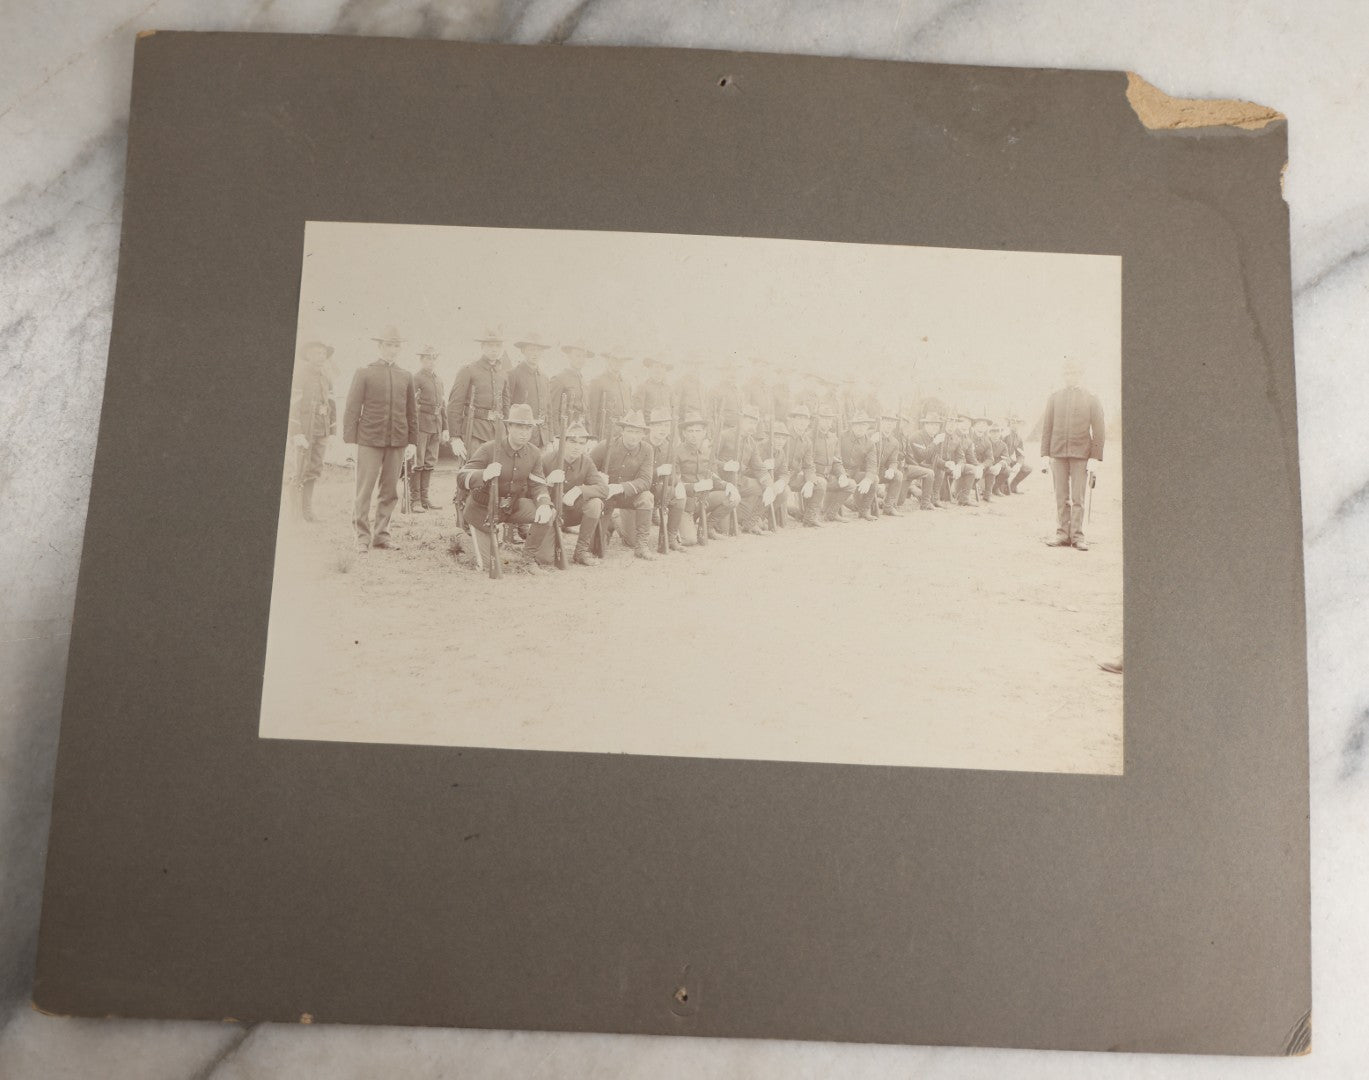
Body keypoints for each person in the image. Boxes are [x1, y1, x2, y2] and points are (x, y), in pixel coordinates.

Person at [342, 325, 417, 552]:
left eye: (396, 346)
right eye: (388, 345)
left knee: (390, 490)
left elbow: (411, 412)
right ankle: (362, 537)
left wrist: (412, 441)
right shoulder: (364, 372)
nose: (393, 350)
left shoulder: (406, 376)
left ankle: (381, 535)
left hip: (397, 441)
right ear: (379, 346)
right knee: (364, 490)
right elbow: (352, 408)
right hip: (369, 440)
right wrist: (350, 441)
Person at [456, 403, 554, 572]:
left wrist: (544, 503)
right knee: (488, 567)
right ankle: (460, 537)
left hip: (511, 507)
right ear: (509, 427)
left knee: (549, 512)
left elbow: (538, 484)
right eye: (519, 427)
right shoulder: (489, 449)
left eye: (528, 428)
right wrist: (484, 474)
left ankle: (528, 559)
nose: (525, 433)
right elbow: (461, 476)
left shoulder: (534, 453)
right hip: (483, 511)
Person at [1040, 358, 1105, 550]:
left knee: (1078, 498)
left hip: (1081, 455)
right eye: (1067, 373)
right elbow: (1047, 427)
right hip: (1058, 453)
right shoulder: (1054, 397)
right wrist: (1045, 454)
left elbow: (1099, 430)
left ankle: (1077, 536)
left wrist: (1095, 457)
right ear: (1063, 375)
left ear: (1080, 375)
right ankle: (1062, 534)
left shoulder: (1091, 398)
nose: (1071, 376)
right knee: (1061, 496)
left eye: (1074, 373)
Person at [533, 418, 607, 566]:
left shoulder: (586, 461)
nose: (577, 447)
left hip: (572, 513)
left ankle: (581, 552)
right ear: (563, 441)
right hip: (549, 514)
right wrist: (548, 482)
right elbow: (530, 488)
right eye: (572, 441)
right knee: (545, 559)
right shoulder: (547, 459)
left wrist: (579, 490)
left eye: (581, 443)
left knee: (595, 503)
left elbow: (603, 489)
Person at [590, 409, 657, 559]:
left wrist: (621, 487)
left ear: (643, 434)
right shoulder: (605, 445)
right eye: (630, 431)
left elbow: (646, 480)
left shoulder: (647, 450)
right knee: (596, 550)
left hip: (629, 496)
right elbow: (587, 468)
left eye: (637, 432)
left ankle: (641, 545)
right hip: (606, 498)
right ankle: (607, 525)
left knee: (647, 497)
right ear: (622, 431)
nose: (633, 436)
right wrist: (598, 478)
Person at [288, 339, 337, 523]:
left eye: (323, 353)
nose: (321, 357)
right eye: (317, 353)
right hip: (305, 430)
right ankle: (294, 514)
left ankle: (307, 511)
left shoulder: (326, 377)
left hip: (321, 430)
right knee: (301, 469)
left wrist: (332, 431)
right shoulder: (300, 375)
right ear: (308, 355)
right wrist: (297, 432)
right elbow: (293, 405)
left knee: (315, 469)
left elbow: (331, 404)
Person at [447, 328, 510, 463]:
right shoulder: (468, 370)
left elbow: (506, 407)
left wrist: (508, 432)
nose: (494, 349)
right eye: (490, 345)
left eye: (498, 345)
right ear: (482, 347)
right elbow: (454, 404)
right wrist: (455, 438)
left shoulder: (503, 374)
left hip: (498, 432)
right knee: (473, 472)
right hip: (474, 431)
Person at [673, 410, 735, 543]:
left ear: (704, 433)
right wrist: (695, 487)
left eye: (697, 431)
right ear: (684, 433)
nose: (694, 435)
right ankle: (676, 524)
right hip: (684, 504)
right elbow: (675, 483)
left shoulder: (707, 452)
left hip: (704, 500)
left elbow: (711, 475)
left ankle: (707, 526)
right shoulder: (676, 453)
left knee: (733, 496)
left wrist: (726, 484)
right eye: (690, 431)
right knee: (689, 541)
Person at [713, 404, 774, 536]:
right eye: (749, 421)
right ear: (741, 420)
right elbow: (708, 460)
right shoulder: (724, 435)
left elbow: (760, 469)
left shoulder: (751, 443)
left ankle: (750, 523)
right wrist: (724, 466)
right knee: (724, 531)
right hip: (721, 485)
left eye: (755, 422)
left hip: (739, 482)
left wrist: (769, 486)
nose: (752, 426)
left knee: (764, 487)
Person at [410, 345, 448, 512]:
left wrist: (445, 427)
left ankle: (425, 499)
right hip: (421, 424)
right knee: (418, 462)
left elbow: (443, 405)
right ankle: (415, 500)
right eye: (427, 358)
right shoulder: (416, 378)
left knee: (429, 462)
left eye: (433, 359)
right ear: (421, 360)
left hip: (436, 425)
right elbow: (410, 404)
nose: (430, 362)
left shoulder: (438, 380)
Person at [644, 406, 687, 551]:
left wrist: (676, 483)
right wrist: (657, 472)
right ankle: (615, 521)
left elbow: (674, 473)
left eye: (666, 425)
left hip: (656, 489)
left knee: (679, 495)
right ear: (650, 427)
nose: (663, 429)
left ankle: (670, 537)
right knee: (630, 540)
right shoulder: (641, 444)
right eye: (658, 425)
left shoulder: (669, 447)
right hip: (637, 492)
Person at [508, 333, 553, 448]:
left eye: (539, 350)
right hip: (521, 437)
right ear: (523, 350)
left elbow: (548, 409)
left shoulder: (544, 377)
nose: (535, 353)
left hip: (543, 438)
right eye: (531, 350)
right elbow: (507, 406)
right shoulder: (514, 374)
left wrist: (551, 438)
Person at [783, 404, 824, 527]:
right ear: (793, 420)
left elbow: (809, 465)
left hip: (793, 477)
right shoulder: (784, 435)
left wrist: (810, 481)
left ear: (808, 422)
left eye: (805, 419)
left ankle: (810, 518)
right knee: (780, 522)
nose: (802, 422)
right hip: (778, 477)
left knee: (820, 483)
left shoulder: (807, 441)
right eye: (799, 418)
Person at [813, 404, 852, 522]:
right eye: (824, 418)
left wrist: (841, 475)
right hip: (814, 476)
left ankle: (831, 513)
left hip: (828, 476)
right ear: (818, 420)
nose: (827, 422)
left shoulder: (833, 438)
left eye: (829, 419)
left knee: (850, 485)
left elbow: (837, 460)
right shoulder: (810, 437)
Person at [839, 411, 879, 521]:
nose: (860, 427)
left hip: (855, 473)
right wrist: (840, 473)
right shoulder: (841, 436)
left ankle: (864, 510)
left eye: (864, 424)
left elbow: (872, 466)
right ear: (852, 425)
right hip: (838, 472)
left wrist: (868, 479)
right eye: (857, 424)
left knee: (874, 479)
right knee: (826, 507)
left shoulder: (870, 443)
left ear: (867, 426)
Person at [549, 342, 592, 439]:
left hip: (581, 431)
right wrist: (557, 436)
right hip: (566, 431)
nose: (581, 360)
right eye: (578, 356)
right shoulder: (559, 378)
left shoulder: (583, 381)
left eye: (584, 357)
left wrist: (589, 433)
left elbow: (586, 411)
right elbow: (552, 411)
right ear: (569, 357)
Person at [586, 350, 633, 440]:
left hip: (624, 433)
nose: (618, 363)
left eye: (621, 360)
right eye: (615, 359)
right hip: (605, 433)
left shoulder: (626, 383)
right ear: (608, 360)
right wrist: (592, 437)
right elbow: (592, 413)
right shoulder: (597, 381)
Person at [902, 413, 940, 511]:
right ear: (925, 425)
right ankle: (912, 488)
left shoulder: (933, 438)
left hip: (919, 467)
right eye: (931, 424)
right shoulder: (917, 436)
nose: (934, 427)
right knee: (899, 501)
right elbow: (922, 455)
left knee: (939, 469)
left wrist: (946, 464)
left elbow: (935, 458)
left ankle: (927, 501)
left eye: (937, 425)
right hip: (908, 467)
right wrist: (935, 443)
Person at [875, 412, 905, 516]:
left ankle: (888, 507)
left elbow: (893, 460)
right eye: (886, 421)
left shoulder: (894, 442)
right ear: (881, 422)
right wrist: (871, 442)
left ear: (895, 425)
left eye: (892, 422)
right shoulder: (871, 435)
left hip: (880, 472)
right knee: (857, 506)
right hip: (865, 472)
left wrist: (891, 469)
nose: (889, 424)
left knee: (898, 475)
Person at [969, 416, 1003, 504]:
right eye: (979, 424)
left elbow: (990, 458)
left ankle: (987, 495)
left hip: (980, 467)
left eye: (984, 425)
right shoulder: (968, 437)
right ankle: (966, 493)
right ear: (973, 426)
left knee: (991, 469)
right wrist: (976, 465)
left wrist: (982, 466)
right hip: (968, 465)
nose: (981, 427)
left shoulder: (987, 441)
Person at [1001, 413, 1032, 493]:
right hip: (999, 460)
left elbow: (1021, 454)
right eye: (1013, 422)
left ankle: (1013, 486)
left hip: (1009, 460)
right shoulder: (1003, 434)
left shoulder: (1018, 438)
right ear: (1009, 423)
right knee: (1004, 492)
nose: (1015, 425)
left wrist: (1018, 464)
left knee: (1027, 468)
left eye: (1018, 423)